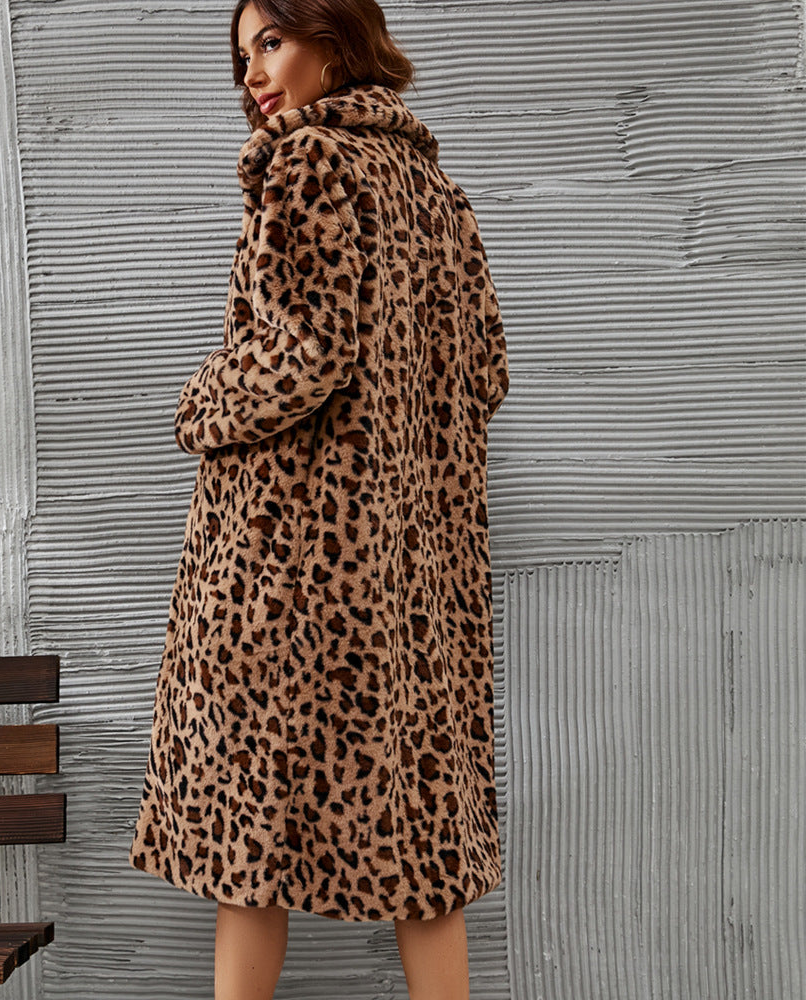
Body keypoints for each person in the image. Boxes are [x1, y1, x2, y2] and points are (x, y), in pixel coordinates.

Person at [131, 1, 509, 996]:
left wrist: (199, 403)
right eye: (243, 52)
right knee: (424, 854)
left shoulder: (305, 164)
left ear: (334, 37)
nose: (255, 73)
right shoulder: (435, 187)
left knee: (251, 843)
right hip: (408, 579)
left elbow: (303, 354)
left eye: (273, 41)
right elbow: (487, 369)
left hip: (284, 573)